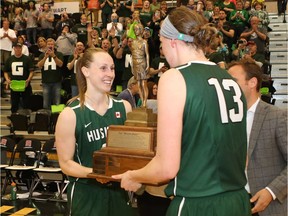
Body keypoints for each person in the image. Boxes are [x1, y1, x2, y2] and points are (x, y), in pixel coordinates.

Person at [113, 7, 251, 216]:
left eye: (161, 44)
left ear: (173, 42)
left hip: (198, 203)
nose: (163, 52)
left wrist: (134, 176)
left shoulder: (174, 78)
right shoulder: (228, 79)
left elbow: (167, 168)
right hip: (238, 200)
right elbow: (244, 155)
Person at [55, 48, 136, 216]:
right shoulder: (70, 115)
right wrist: (95, 173)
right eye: (103, 68)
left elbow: (132, 152)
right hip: (86, 195)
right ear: (85, 71)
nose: (110, 74)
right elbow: (65, 164)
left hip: (119, 193)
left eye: (112, 68)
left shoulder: (124, 107)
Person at [227, 59, 287, 216]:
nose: (226, 86)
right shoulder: (224, 118)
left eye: (232, 81)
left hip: (269, 207)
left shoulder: (277, 117)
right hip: (231, 204)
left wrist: (271, 191)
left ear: (252, 82)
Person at [4, 42, 34, 113]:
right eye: (16, 48)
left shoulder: (27, 59)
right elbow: (5, 71)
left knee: (27, 103)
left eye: (19, 48)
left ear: (21, 49)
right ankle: (14, 120)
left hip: (24, 84)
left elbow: (31, 71)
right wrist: (7, 80)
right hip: (14, 84)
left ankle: (26, 119)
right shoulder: (10, 59)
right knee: (14, 104)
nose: (17, 49)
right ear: (14, 49)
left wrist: (28, 79)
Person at [37, 38, 63, 109]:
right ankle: (47, 118)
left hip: (57, 82)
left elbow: (60, 64)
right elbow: (39, 65)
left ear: (54, 45)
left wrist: (53, 56)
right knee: (46, 103)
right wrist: (45, 57)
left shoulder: (59, 54)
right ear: (46, 45)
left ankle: (56, 119)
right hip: (46, 82)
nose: (50, 45)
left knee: (57, 103)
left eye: (51, 44)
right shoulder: (42, 55)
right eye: (48, 44)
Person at [131, 23, 149, 108]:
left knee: (143, 83)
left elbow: (147, 55)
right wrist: (132, 66)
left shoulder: (144, 42)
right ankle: (142, 101)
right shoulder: (133, 42)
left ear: (141, 30)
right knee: (138, 84)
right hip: (135, 63)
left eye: (138, 29)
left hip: (142, 62)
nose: (136, 31)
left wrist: (148, 65)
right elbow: (132, 54)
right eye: (135, 29)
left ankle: (145, 102)